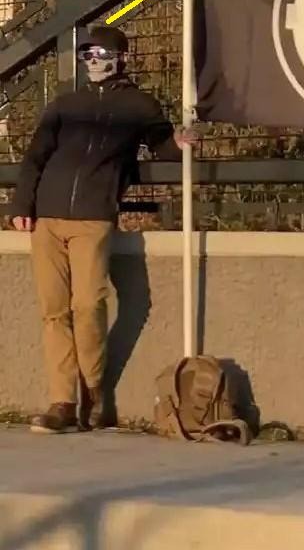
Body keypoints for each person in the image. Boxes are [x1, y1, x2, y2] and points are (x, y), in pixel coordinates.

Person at [11, 25, 196, 434]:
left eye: (101, 54)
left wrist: (181, 142)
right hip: (46, 216)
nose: (93, 61)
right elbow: (35, 157)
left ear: (121, 57)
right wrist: (22, 205)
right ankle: (62, 401)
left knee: (88, 304)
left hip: (94, 217)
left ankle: (94, 395)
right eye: (87, 55)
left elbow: (162, 143)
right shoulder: (65, 104)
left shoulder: (139, 105)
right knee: (53, 311)